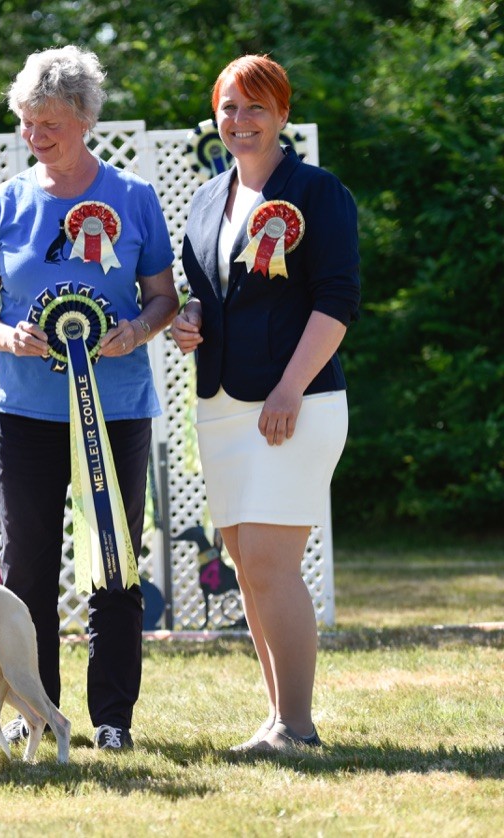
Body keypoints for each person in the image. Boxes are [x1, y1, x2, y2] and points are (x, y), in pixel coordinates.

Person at [0, 46, 180, 751]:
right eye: (27, 122)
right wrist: (7, 336)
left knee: (114, 563)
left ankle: (113, 717)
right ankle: (34, 707)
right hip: (22, 414)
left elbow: (164, 299)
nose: (35, 135)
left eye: (49, 122)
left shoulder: (135, 198)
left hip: (116, 411)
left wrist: (136, 331)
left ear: (84, 119)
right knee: (26, 570)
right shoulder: (3, 203)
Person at [171, 55, 361, 753]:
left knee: (273, 565)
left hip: (294, 404)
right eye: (228, 108)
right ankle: (278, 716)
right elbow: (206, 290)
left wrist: (290, 387)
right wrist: (190, 318)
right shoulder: (204, 198)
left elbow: (337, 300)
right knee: (248, 566)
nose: (240, 121)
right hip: (221, 406)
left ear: (282, 114)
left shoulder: (318, 191)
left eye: (255, 108)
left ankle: (299, 727)